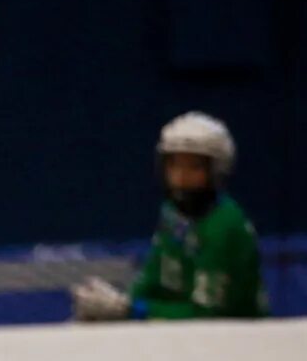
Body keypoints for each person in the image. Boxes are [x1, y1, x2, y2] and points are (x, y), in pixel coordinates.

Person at [73, 113, 267, 323]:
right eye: (174, 165)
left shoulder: (225, 228)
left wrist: (132, 311)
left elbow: (208, 317)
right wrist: (120, 303)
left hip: (238, 338)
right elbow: (154, 276)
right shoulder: (172, 213)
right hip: (177, 333)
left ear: (217, 170)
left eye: (194, 167)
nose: (181, 177)